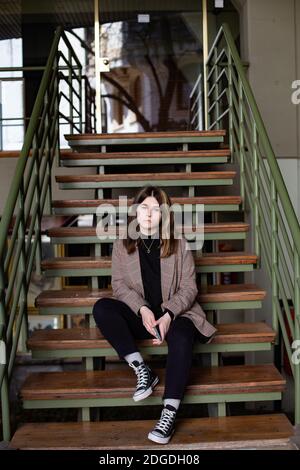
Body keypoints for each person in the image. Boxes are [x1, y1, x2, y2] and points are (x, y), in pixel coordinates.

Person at [92, 185, 217, 445]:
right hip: (143, 317)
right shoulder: (121, 244)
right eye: (144, 207)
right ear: (136, 211)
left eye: (156, 210)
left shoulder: (179, 244)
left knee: (183, 334)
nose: (149, 214)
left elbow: (189, 287)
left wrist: (169, 313)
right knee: (102, 308)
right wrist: (143, 309)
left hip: (175, 315)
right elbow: (119, 286)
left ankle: (169, 411)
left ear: (164, 215)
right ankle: (142, 369)